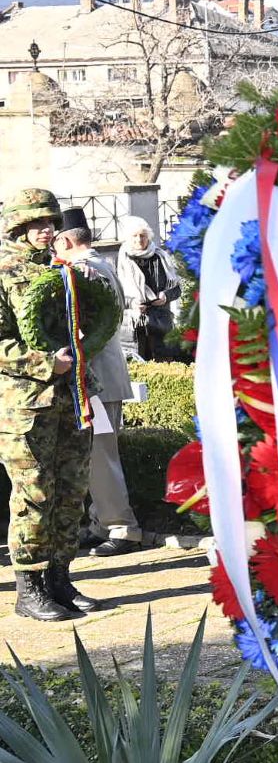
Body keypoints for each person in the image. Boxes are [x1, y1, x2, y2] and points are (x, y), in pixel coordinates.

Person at [0, 188, 113, 621]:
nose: (46, 230)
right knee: (35, 494)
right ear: (18, 227)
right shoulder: (4, 272)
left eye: (50, 222)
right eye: (36, 223)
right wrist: (47, 363)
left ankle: (60, 579)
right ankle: (29, 588)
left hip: (72, 396)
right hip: (26, 404)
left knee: (71, 491)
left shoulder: (61, 268)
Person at [53, 212, 140, 559]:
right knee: (93, 455)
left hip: (98, 379)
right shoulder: (97, 265)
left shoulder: (88, 270)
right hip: (98, 377)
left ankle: (122, 527)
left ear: (65, 241)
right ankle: (101, 523)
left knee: (102, 456)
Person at [114, 215, 181, 362]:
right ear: (128, 238)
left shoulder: (161, 258)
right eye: (135, 236)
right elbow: (115, 295)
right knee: (137, 367)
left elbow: (177, 289)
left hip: (160, 325)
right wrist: (132, 303)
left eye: (143, 235)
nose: (139, 239)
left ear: (148, 237)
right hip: (133, 328)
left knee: (164, 368)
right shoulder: (121, 260)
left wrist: (165, 296)